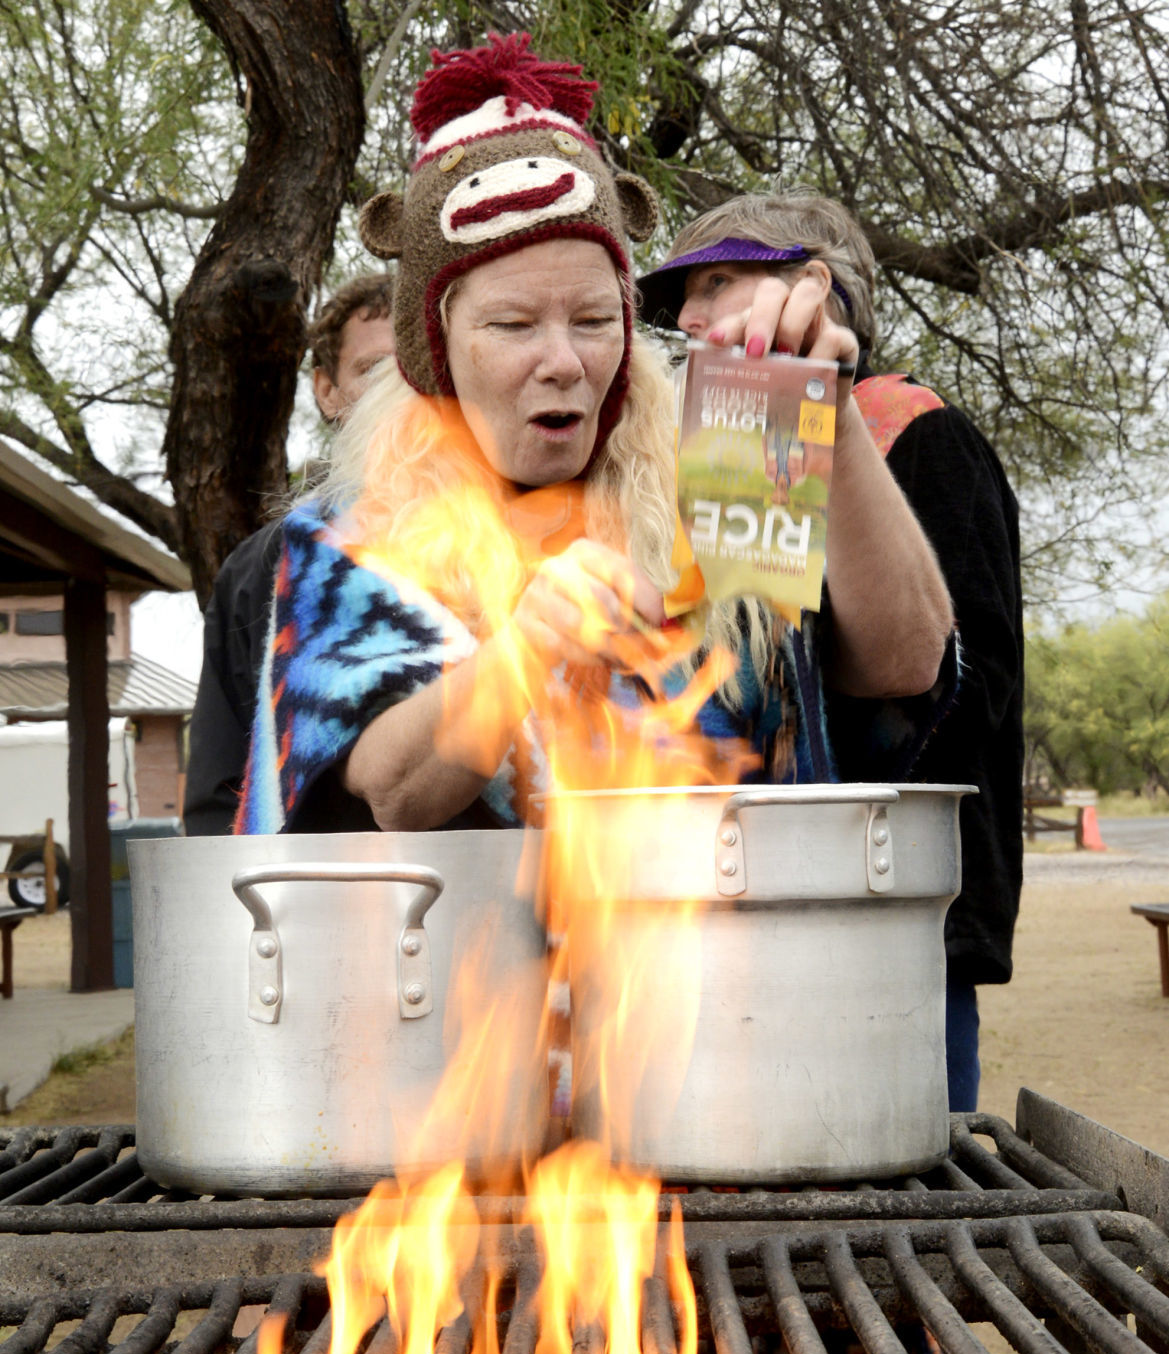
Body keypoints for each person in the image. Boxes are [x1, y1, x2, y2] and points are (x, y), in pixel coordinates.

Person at [234, 36, 953, 842]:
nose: (564, 362)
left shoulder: (726, 461)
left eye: (593, 320)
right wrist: (525, 649)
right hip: (475, 961)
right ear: (434, 350)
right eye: (511, 325)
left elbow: (905, 663)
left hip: (733, 954)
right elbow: (394, 790)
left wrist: (830, 413)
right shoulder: (353, 538)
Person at [637, 187, 1023, 1110]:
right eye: (680, 297)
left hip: (897, 914)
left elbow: (952, 689)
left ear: (815, 288)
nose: (686, 315)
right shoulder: (736, 437)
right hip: (746, 917)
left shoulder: (910, 426)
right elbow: (747, 681)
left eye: (719, 282)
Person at [182, 274, 397, 835]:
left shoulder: (507, 545)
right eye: (374, 372)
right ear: (326, 391)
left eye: (414, 368)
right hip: (304, 908)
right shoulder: (259, 570)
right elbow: (216, 796)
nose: (398, 394)